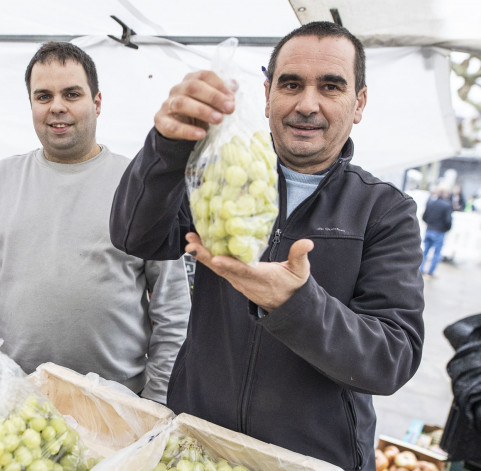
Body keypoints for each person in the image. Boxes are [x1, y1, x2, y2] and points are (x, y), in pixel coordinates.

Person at [109, 21, 424, 470]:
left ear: (359, 103)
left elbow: (392, 357)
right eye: (291, 84)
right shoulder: (221, 174)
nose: (306, 104)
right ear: (267, 93)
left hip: (309, 460)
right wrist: (168, 144)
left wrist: (295, 304)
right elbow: (134, 235)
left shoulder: (383, 210)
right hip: (199, 446)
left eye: (330, 87)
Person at [0, 42, 191, 403]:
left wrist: (157, 402)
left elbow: (172, 309)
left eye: (72, 94)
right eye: (43, 96)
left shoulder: (141, 186)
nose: (57, 107)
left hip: (118, 403)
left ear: (97, 103)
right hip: (16, 398)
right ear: (31, 104)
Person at [421, 187, 453, 277]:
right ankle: (431, 272)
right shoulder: (447, 205)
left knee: (425, 251)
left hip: (429, 229)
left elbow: (424, 216)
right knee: (436, 253)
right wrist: (447, 228)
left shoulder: (431, 202)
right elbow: (448, 220)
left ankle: (421, 269)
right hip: (439, 231)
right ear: (446, 194)